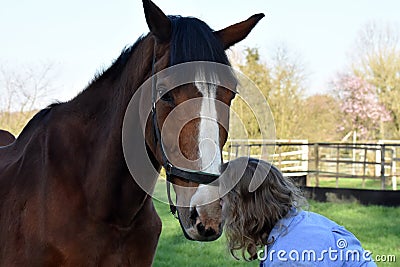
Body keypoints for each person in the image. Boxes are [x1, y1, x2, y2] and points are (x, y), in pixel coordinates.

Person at [219, 157, 377, 266]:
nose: (220, 205)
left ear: (242, 207)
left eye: (223, 199)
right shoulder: (303, 223)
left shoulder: (288, 257)